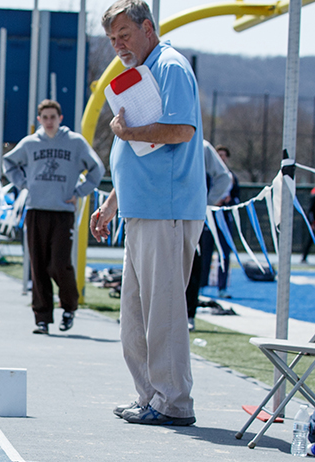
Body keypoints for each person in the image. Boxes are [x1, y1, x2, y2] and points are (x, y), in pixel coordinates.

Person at [90, 0, 205, 427]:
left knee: (164, 314)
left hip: (167, 209)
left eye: (124, 34)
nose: (119, 45)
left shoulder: (170, 66)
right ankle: (152, 397)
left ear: (148, 28)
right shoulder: (139, 74)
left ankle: (174, 403)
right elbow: (137, 153)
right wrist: (111, 201)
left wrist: (127, 131)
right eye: (113, 39)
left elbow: (180, 130)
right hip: (140, 209)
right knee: (135, 316)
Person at [4, 99, 105, 334]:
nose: (49, 121)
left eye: (53, 117)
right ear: (39, 120)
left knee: (59, 264)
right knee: (38, 265)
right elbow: (8, 162)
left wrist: (79, 192)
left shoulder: (75, 143)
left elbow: (96, 169)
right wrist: (23, 184)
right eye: (45, 117)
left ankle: (69, 306)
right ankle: (42, 317)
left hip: (63, 211)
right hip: (36, 210)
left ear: (60, 119)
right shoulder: (30, 144)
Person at [185, 140, 233, 330]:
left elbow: (224, 177)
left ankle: (189, 314)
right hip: (157, 214)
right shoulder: (154, 136)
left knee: (192, 263)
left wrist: (206, 203)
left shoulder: (201, 147)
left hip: (190, 216)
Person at [201, 144, 240, 287]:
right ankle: (202, 286)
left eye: (224, 155)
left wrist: (227, 202)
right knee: (205, 252)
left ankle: (222, 286)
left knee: (224, 252)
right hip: (207, 217)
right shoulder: (206, 174)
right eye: (219, 155)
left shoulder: (231, 177)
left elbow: (237, 197)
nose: (222, 158)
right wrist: (210, 202)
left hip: (224, 217)